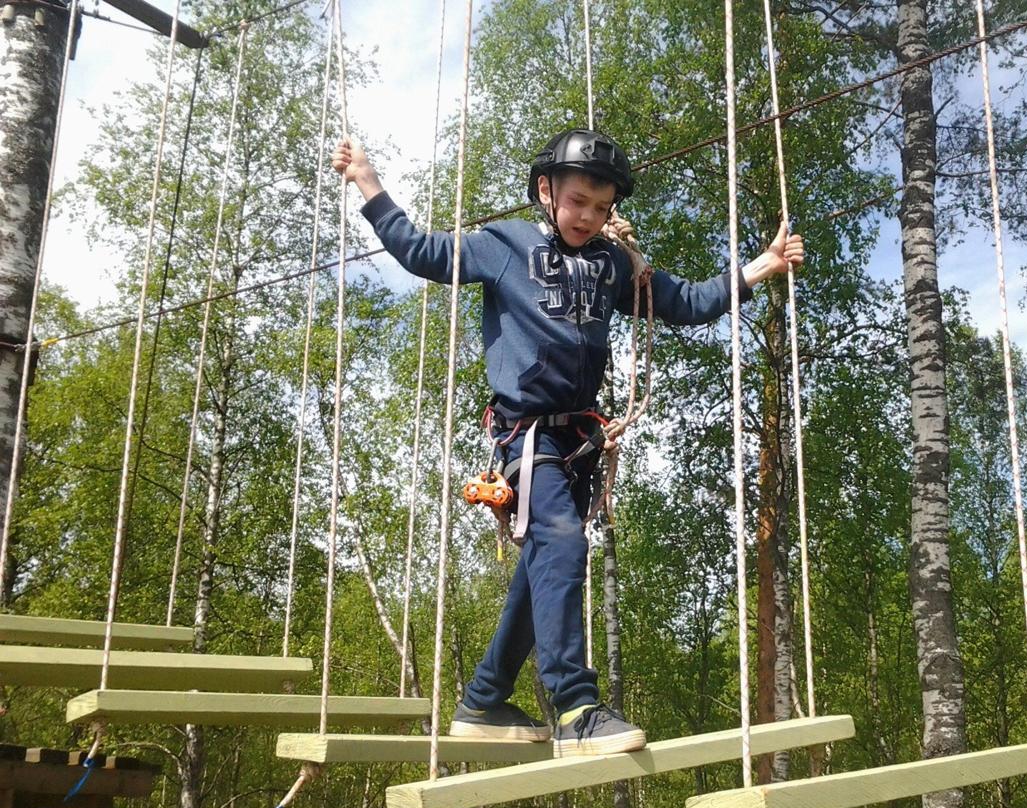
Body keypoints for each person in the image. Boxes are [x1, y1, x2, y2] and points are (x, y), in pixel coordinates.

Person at [332, 129, 803, 757]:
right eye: (579, 201)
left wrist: (758, 268)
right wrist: (368, 182)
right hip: (525, 437)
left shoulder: (613, 265)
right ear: (545, 191)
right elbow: (419, 250)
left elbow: (687, 302)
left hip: (578, 444)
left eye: (602, 209)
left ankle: (483, 699)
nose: (589, 217)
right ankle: (576, 706)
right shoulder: (505, 247)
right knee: (560, 541)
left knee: (541, 571)